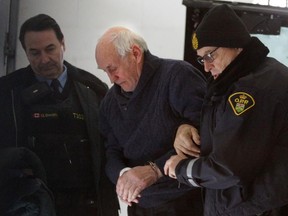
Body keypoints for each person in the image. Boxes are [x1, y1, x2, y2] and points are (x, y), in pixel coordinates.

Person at [164, 4, 288, 216]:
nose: (206, 66)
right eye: (201, 59)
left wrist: (181, 169)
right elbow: (225, 129)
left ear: (236, 44)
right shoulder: (233, 81)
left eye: (210, 56)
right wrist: (187, 127)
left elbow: (228, 167)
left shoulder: (252, 89)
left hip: (255, 208)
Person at [0, 14, 119, 216]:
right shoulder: (7, 91)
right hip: (32, 206)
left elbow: (112, 147)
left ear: (63, 43)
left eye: (50, 49)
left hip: (89, 205)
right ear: (25, 52)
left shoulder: (93, 88)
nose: (44, 59)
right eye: (34, 53)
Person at [95, 26, 206, 216]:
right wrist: (124, 177)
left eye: (113, 69)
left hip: (185, 200)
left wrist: (154, 170)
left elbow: (208, 134)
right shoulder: (110, 102)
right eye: (105, 71)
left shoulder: (178, 76)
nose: (111, 79)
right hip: (139, 204)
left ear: (136, 54)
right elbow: (111, 150)